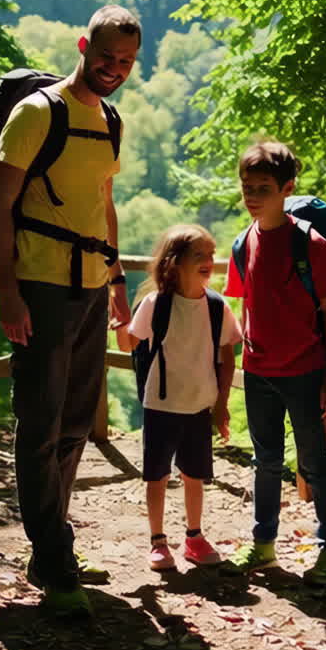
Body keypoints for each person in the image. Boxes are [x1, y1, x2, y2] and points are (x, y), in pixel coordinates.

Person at [0, 4, 140, 616]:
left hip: (92, 286)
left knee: (76, 422)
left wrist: (119, 280)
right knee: (41, 423)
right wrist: (8, 291)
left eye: (126, 61)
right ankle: (54, 560)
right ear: (84, 45)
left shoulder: (110, 121)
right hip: (41, 287)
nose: (114, 69)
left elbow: (104, 202)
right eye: (106, 56)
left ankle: (54, 548)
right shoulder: (36, 113)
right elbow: (1, 207)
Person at [224, 141, 326, 583]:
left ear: (287, 188)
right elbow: (244, 306)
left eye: (263, 188)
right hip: (259, 373)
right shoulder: (243, 243)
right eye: (247, 188)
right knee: (266, 462)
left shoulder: (310, 245)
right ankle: (263, 545)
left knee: (315, 463)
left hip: (305, 372)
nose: (253, 197)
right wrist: (241, 363)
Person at [116, 224, 242, 571]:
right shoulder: (156, 304)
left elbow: (227, 358)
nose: (208, 261)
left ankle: (194, 536)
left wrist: (220, 408)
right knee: (156, 476)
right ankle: (158, 541)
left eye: (210, 254)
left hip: (199, 405)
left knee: (194, 475)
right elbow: (129, 343)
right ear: (175, 263)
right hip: (160, 404)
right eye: (198, 255)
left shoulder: (217, 307)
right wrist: (118, 319)